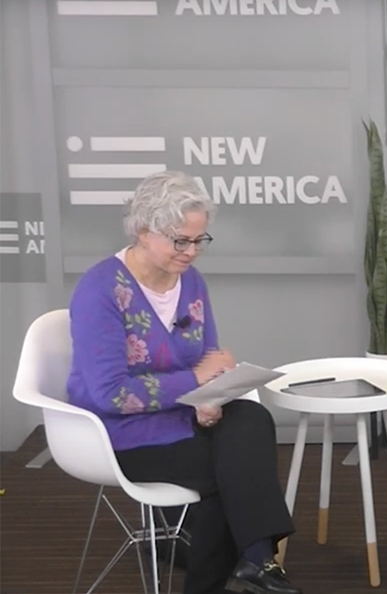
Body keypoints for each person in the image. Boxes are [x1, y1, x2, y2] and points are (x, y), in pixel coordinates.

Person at [65, 171, 301, 594]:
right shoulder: (100, 289)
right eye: (180, 241)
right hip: (119, 433)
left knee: (251, 418)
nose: (191, 252)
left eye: (199, 240)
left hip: (184, 418)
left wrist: (211, 396)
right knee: (228, 475)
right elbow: (111, 393)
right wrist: (195, 382)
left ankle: (256, 564)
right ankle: (254, 563)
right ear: (142, 230)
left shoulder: (190, 282)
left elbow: (207, 360)